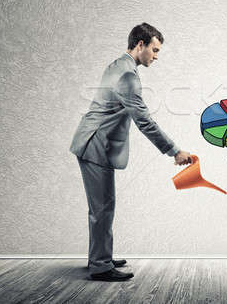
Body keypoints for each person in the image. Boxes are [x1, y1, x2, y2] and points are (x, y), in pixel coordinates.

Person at [70, 23, 191, 282]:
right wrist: (175, 151)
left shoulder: (118, 65)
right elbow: (144, 121)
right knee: (103, 208)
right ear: (140, 45)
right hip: (96, 144)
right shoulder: (128, 76)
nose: (156, 56)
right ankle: (101, 266)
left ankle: (100, 256)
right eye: (154, 50)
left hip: (93, 141)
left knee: (102, 206)